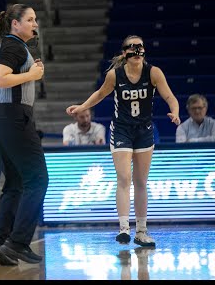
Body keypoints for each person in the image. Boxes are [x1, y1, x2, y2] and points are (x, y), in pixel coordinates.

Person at [66, 34, 180, 248]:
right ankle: (124, 229)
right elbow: (100, 94)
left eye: (140, 46)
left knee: (140, 182)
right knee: (124, 178)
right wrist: (82, 107)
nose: (137, 50)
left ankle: (142, 231)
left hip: (144, 130)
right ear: (124, 53)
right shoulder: (115, 75)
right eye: (132, 47)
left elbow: (170, 97)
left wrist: (174, 111)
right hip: (121, 130)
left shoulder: (153, 72)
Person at [0, 3, 48, 266]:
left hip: (1, 118)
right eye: (30, 19)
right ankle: (17, 243)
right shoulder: (12, 45)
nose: (35, 24)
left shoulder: (13, 46)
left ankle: (1, 242)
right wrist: (32, 74)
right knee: (38, 180)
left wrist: (30, 72)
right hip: (12, 118)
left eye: (36, 20)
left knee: (15, 182)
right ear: (15, 24)